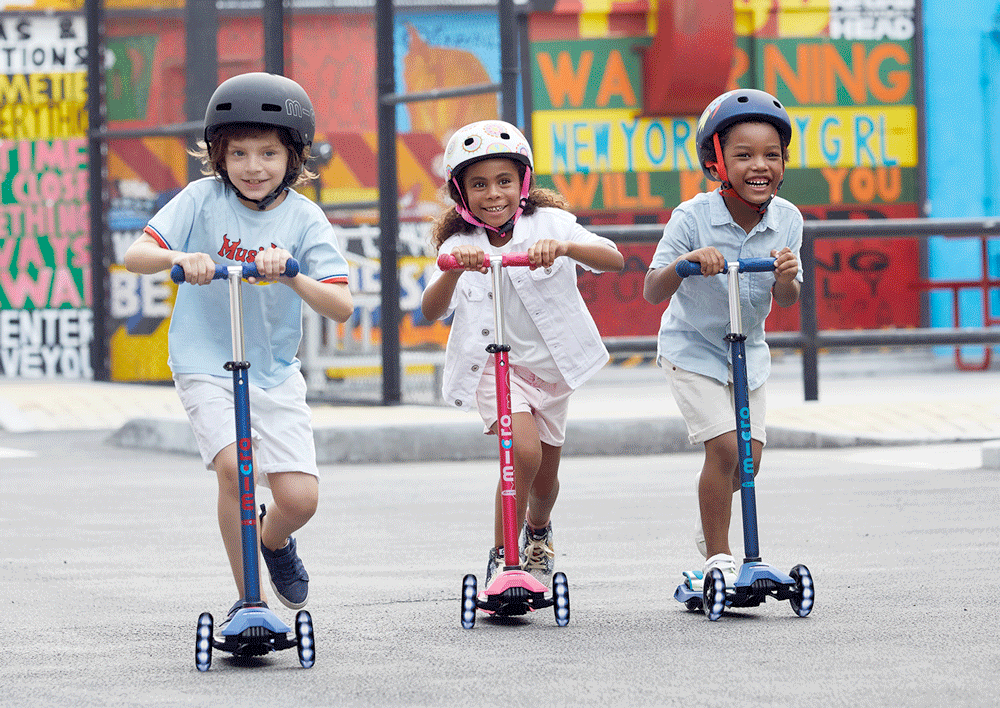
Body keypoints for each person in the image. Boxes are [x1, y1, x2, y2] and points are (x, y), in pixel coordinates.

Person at [124, 73, 353, 626]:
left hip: (273, 372)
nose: (254, 166)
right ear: (218, 155)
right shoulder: (201, 199)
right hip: (206, 362)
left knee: (299, 499)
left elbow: (341, 305)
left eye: (269, 153)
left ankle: (274, 544)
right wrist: (180, 257)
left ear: (292, 156)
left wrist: (293, 274)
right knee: (237, 471)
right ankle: (250, 601)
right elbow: (136, 254)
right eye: (240, 153)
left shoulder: (304, 217)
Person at [421, 120, 624, 589]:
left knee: (545, 483)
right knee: (522, 453)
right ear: (461, 192)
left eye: (504, 181)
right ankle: (503, 559)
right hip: (496, 366)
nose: (493, 194)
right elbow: (431, 309)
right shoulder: (458, 244)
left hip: (551, 368)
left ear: (523, 183)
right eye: (479, 185)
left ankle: (537, 531)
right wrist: (451, 270)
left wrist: (566, 247)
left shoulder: (550, 224)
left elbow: (612, 258)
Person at [642, 89, 803, 586]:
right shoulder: (692, 218)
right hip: (693, 350)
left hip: (747, 350)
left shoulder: (788, 220)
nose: (760, 166)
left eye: (771, 155)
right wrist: (686, 263)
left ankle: (709, 526)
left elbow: (790, 299)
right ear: (716, 161)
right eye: (744, 155)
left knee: (749, 461)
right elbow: (652, 289)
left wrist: (786, 277)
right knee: (726, 450)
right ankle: (718, 556)